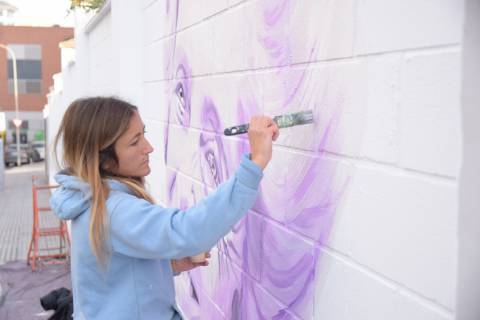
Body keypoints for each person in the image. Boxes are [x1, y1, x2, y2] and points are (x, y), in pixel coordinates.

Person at [50, 96, 279, 320]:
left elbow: (114, 276)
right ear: (105, 160)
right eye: (134, 141)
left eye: (144, 134)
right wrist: (256, 161)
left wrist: (165, 266)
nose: (148, 148)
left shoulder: (90, 200)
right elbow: (188, 230)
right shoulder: (114, 210)